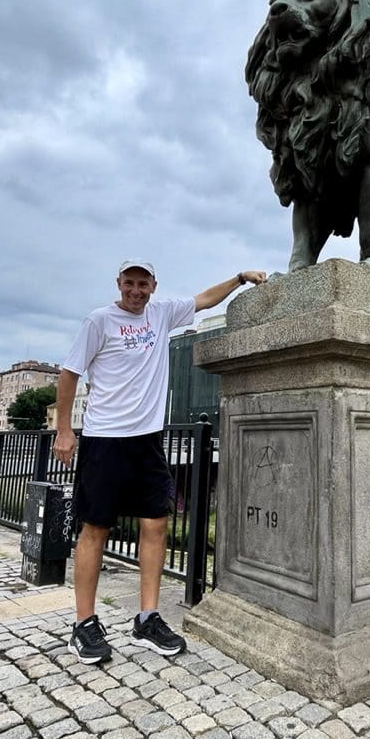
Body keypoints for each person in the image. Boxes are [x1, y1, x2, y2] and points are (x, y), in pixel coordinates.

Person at [54, 260, 267, 664]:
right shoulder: (99, 321)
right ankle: (84, 624)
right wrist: (65, 431)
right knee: (95, 527)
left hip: (147, 440)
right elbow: (69, 375)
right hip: (104, 439)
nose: (136, 291)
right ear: (119, 283)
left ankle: (147, 618)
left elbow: (204, 300)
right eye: (129, 283)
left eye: (143, 284)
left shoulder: (161, 312)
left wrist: (240, 279)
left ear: (153, 286)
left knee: (155, 522)